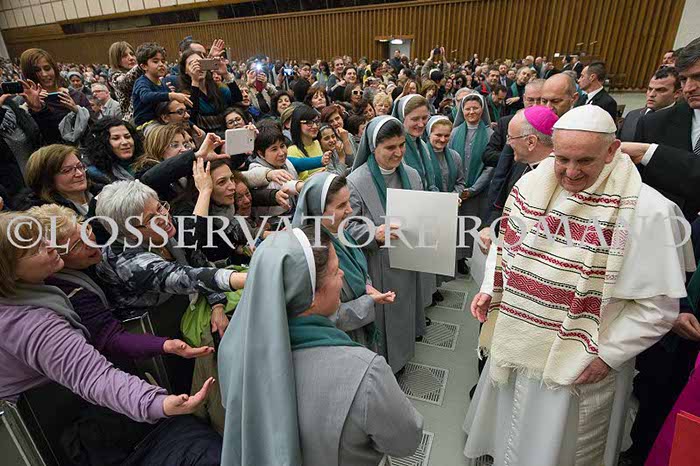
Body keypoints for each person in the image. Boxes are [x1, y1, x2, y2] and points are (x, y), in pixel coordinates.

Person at [463, 105, 694, 466]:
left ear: (612, 150)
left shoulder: (648, 211)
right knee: (511, 434)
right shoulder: (531, 185)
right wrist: (492, 289)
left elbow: (658, 307)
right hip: (518, 339)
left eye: (585, 161)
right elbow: (507, 245)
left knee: (557, 448)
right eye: (563, 159)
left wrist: (607, 356)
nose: (571, 172)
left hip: (582, 358)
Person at [0, 211, 223, 466]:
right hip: (52, 425)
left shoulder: (37, 287)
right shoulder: (33, 325)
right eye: (35, 249)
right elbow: (92, 376)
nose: (51, 247)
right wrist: (156, 403)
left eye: (44, 238)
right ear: (8, 273)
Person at [218, 226, 423, 465]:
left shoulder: (233, 352)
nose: (342, 275)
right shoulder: (366, 373)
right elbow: (407, 440)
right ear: (310, 295)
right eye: (335, 272)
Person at [94, 180, 247, 318]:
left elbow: (195, 258)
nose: (164, 217)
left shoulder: (165, 224)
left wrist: (217, 304)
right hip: (155, 321)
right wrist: (248, 279)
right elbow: (183, 277)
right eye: (151, 219)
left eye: (160, 207)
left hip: (186, 299)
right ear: (130, 232)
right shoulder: (126, 261)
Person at [346, 116, 427, 373]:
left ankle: (402, 357)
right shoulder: (355, 181)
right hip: (376, 263)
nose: (399, 153)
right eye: (390, 147)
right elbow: (347, 226)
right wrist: (374, 233)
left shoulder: (412, 175)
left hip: (406, 257)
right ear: (373, 147)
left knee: (403, 310)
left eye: (402, 145)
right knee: (384, 317)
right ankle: (383, 366)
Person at [292, 172, 397, 347]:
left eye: (348, 202)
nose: (349, 210)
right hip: (338, 341)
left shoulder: (342, 233)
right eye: (341, 205)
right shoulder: (313, 255)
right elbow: (327, 316)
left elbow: (359, 271)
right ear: (318, 212)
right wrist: (368, 301)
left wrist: (367, 288)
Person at [623, 36, 700, 221]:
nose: (689, 88)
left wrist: (651, 153)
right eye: (684, 79)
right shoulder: (652, 124)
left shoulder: (647, 150)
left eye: (698, 77)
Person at [20, 48, 92, 144]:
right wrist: (36, 109)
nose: (44, 74)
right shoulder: (25, 102)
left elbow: (94, 128)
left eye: (47, 68)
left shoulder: (77, 96)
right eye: (37, 70)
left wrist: (77, 111)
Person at [19, 144, 97, 216]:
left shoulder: (100, 192)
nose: (79, 174)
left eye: (80, 166)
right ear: (47, 179)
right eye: (67, 170)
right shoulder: (48, 217)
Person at [177, 49, 242, 132]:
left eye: (200, 63)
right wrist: (195, 81)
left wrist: (225, 74)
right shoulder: (183, 94)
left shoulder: (218, 87)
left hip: (226, 132)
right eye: (192, 64)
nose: (198, 67)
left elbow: (237, 101)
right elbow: (192, 116)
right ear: (185, 71)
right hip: (203, 135)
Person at [132, 42, 192, 128]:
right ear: (144, 66)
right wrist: (171, 95)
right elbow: (145, 96)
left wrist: (192, 125)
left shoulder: (163, 84)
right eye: (155, 61)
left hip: (163, 120)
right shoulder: (141, 82)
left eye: (163, 61)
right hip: (147, 124)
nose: (161, 64)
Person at [618, 67, 681, 142]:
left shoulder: (682, 121)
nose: (651, 94)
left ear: (677, 93)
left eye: (660, 90)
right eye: (650, 89)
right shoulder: (632, 115)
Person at [391, 94, 438, 191]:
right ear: (402, 118)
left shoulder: (423, 145)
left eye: (424, 118)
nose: (421, 124)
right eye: (415, 119)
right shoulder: (393, 149)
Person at [83, 117, 143, 189]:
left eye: (127, 137)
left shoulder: (147, 164)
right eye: (116, 138)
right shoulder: (95, 175)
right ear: (102, 143)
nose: (125, 142)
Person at [424, 115, 466, 194]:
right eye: (438, 135)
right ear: (429, 134)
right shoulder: (422, 156)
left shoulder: (455, 156)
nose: (443, 139)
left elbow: (460, 183)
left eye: (446, 136)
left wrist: (452, 196)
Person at [287, 104, 327, 181]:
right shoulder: (292, 150)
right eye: (309, 123)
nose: (315, 126)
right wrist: (320, 174)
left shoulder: (317, 143)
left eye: (316, 122)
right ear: (297, 124)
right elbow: (301, 181)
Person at [108, 41, 142, 121]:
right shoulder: (115, 77)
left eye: (132, 54)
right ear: (116, 60)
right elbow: (126, 80)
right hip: (134, 120)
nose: (131, 58)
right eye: (124, 56)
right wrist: (143, 63)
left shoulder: (143, 73)